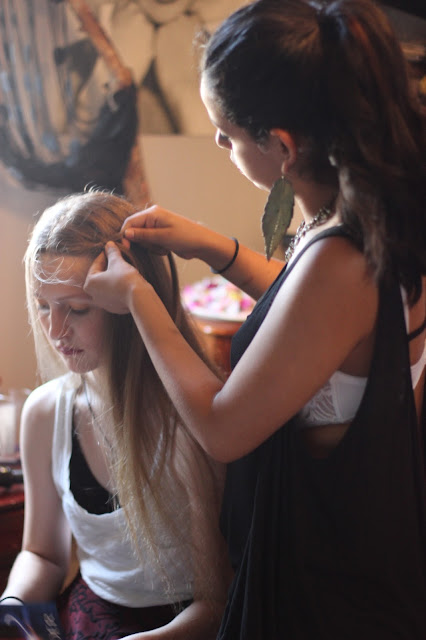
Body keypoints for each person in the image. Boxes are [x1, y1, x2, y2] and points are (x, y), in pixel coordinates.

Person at [83, 0, 426, 638]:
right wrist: (213, 247)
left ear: (282, 146)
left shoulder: (341, 262)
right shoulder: (366, 214)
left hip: (328, 582)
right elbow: (315, 327)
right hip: (346, 549)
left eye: (227, 133)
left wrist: (139, 299)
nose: (219, 144)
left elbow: (223, 428)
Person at [0, 191, 230, 640]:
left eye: (78, 309)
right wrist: (13, 607)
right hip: (94, 607)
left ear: (130, 305)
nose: (55, 330)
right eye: (43, 306)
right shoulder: (45, 413)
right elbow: (43, 555)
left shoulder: (191, 425)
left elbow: (217, 604)